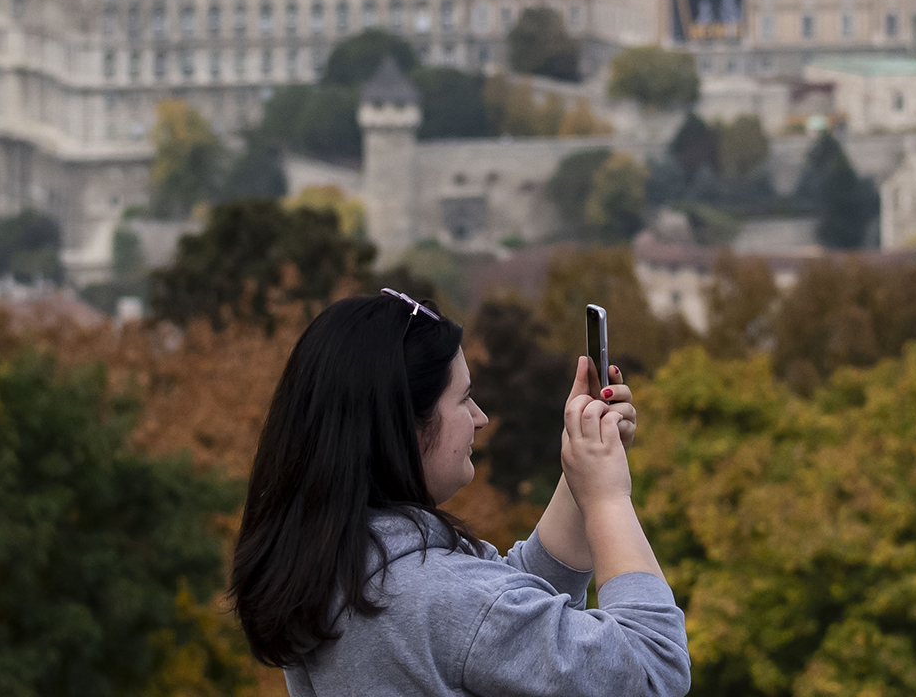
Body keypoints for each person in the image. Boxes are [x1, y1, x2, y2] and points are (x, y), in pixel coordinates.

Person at [231, 289, 690, 697]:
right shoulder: (442, 598)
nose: (480, 416)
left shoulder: (336, 564)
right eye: (463, 398)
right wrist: (607, 498)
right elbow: (653, 669)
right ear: (403, 425)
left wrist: (581, 471)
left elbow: (511, 618)